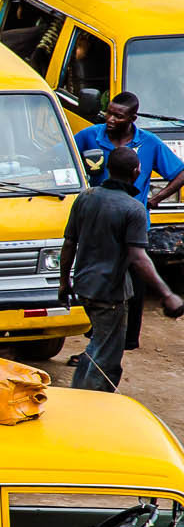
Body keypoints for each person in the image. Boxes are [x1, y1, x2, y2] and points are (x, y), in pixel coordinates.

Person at [60, 146, 184, 391]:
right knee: (106, 356)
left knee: (99, 344)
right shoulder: (133, 208)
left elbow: (69, 243)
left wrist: (64, 282)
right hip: (110, 293)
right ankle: (89, 404)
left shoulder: (85, 197)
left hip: (84, 286)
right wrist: (167, 294)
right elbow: (139, 258)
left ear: (108, 169)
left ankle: (82, 397)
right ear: (137, 171)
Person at [73, 92, 184, 203]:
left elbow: (181, 173)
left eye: (118, 116)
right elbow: (61, 157)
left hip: (134, 216)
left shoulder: (149, 142)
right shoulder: (89, 135)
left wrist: (156, 199)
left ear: (133, 118)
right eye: (109, 113)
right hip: (100, 215)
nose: (110, 119)